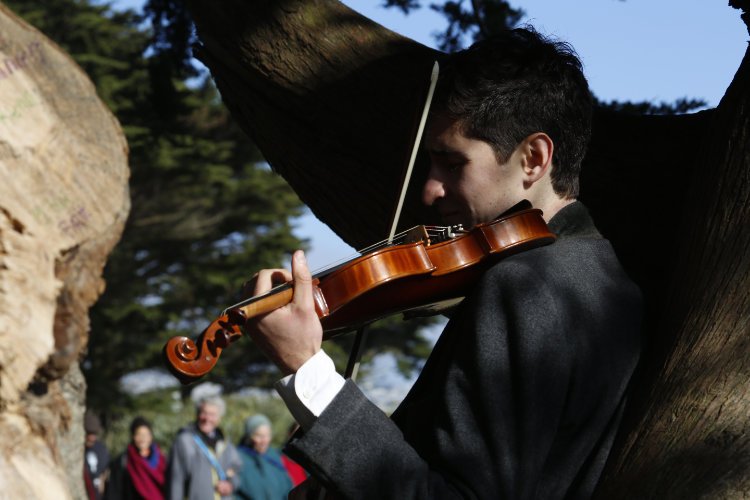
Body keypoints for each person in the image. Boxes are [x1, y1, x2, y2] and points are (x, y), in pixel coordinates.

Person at [243, 27, 642, 498]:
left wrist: (306, 369)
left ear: (533, 158)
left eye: (452, 163)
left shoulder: (528, 287)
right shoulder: (605, 279)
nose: (429, 190)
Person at [167, 396, 241, 500]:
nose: (207, 419)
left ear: (220, 418)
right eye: (204, 413)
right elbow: (175, 480)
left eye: (212, 415)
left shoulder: (225, 443)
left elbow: (236, 469)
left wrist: (231, 484)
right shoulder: (184, 441)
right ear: (197, 414)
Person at [105, 416, 166, 499]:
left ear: (151, 437)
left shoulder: (162, 460)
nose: (143, 438)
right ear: (133, 436)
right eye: (139, 434)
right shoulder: (124, 461)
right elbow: (114, 492)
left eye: (146, 434)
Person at [234, 414, 293, 499]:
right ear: (248, 436)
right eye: (259, 436)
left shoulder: (274, 456)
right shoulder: (238, 457)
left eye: (267, 435)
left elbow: (287, 487)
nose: (264, 441)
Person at [84, 411, 110, 500]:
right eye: (89, 433)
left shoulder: (101, 449)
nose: (91, 438)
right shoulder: (78, 451)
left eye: (94, 434)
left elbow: (105, 470)